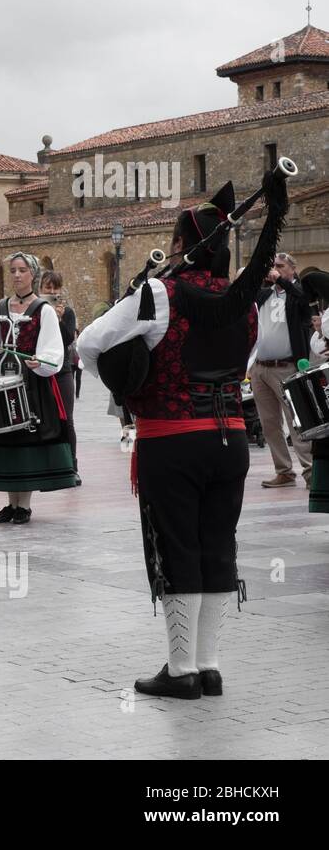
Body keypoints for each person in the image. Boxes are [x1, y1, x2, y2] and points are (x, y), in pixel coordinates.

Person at [78, 171, 288, 699]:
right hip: (231, 440)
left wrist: (132, 381)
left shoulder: (157, 293)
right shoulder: (246, 304)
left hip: (170, 440)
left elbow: (89, 343)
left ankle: (180, 671)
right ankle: (209, 665)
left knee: (176, 547)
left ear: (182, 246)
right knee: (218, 544)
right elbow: (242, 359)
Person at [0, 252, 75, 523]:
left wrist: (43, 362)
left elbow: (53, 349)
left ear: (32, 274)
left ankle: (23, 505)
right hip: (2, 379)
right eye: (13, 270)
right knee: (5, 437)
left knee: (26, 439)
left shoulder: (43, 310)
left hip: (31, 382)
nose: (16, 275)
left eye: (22, 270)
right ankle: (11, 503)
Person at [251, 252, 313, 488]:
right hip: (260, 368)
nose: (274, 269)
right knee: (269, 423)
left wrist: (281, 280)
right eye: (273, 266)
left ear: (292, 269)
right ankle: (284, 471)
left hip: (286, 367)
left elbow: (303, 303)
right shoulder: (265, 294)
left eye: (280, 266)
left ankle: (310, 472)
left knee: (297, 421)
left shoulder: (299, 293)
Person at [41, 270, 81, 485]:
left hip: (62, 369)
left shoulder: (67, 312)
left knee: (67, 419)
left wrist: (57, 318)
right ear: (40, 289)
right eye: (48, 288)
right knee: (41, 418)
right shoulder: (35, 310)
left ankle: (72, 466)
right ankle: (45, 465)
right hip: (39, 369)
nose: (53, 292)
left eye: (56, 288)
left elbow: (67, 340)